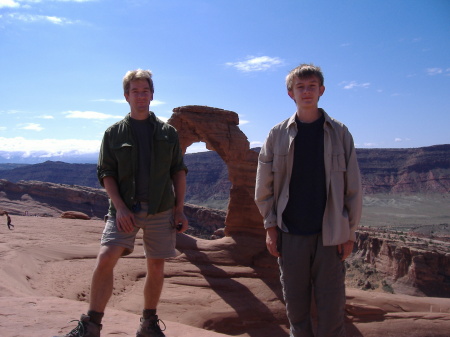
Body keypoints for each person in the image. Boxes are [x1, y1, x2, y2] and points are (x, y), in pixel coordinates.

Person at [58, 69, 188, 337]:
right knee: (106, 258)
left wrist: (179, 210)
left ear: (152, 95)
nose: (140, 95)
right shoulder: (113, 133)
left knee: (156, 265)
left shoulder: (168, 133)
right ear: (126, 96)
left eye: (145, 90)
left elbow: (178, 170)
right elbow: (106, 172)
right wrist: (119, 207)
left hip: (161, 208)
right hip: (124, 209)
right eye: (135, 91)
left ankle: (148, 324)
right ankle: (91, 324)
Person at [255, 64, 362, 337]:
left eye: (312, 86)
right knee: (297, 313)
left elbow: (353, 188)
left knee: (332, 313)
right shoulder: (277, 135)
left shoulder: (340, 133)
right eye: (300, 87)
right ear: (290, 93)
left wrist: (349, 234)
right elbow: (263, 187)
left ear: (321, 91)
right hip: (290, 235)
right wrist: (270, 228)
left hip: (330, 237)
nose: (306, 92)